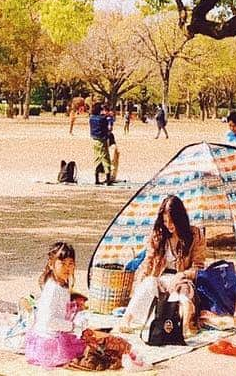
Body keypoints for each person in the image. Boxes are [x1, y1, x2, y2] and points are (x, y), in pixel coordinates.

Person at [118, 195, 206, 338]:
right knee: (148, 283)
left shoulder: (194, 235)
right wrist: (138, 286)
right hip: (160, 278)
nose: (168, 225)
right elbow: (148, 262)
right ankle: (126, 319)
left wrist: (182, 275)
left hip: (182, 278)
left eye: (172, 221)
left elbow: (199, 267)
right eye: (165, 221)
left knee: (183, 294)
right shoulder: (158, 235)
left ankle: (184, 327)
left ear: (180, 219)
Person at [25, 241, 86, 368]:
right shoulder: (53, 289)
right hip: (49, 342)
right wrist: (73, 327)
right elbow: (50, 321)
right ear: (51, 264)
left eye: (70, 264)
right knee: (84, 348)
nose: (67, 268)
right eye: (62, 263)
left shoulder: (60, 283)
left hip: (56, 332)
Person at [88, 102, 112, 185]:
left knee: (97, 158)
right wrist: (108, 115)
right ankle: (108, 179)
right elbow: (108, 127)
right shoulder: (102, 119)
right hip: (102, 140)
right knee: (105, 158)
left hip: (94, 140)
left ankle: (96, 179)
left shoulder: (91, 118)